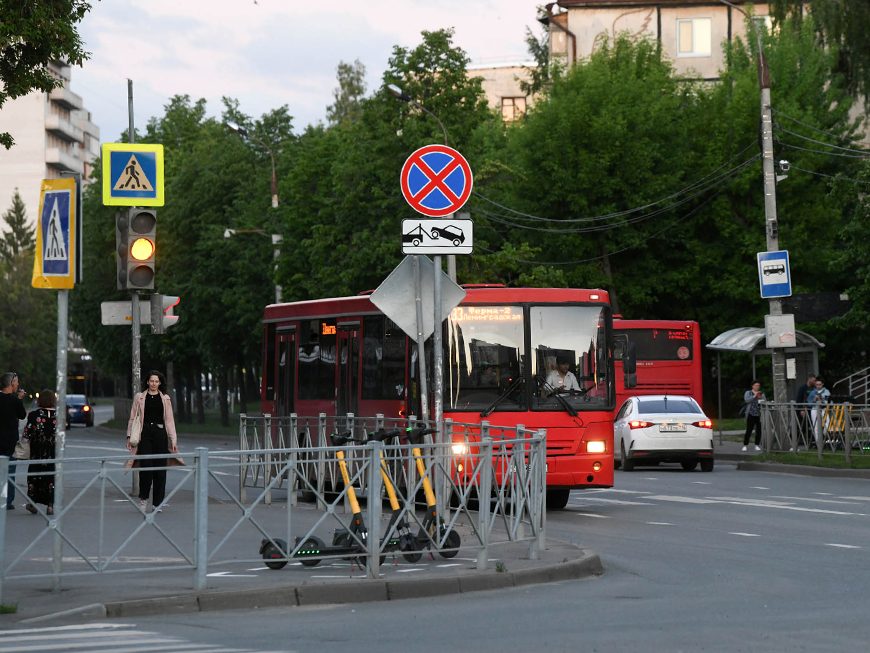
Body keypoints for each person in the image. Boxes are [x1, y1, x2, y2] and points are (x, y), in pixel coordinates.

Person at [125, 371, 182, 512]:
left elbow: (169, 421)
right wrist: (128, 437)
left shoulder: (165, 399)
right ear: (147, 382)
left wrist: (173, 440)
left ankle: (157, 503)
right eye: (151, 381)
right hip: (144, 435)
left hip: (160, 435)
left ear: (160, 383)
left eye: (156, 381)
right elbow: (133, 418)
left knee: (160, 470)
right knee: (146, 468)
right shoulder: (140, 397)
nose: (154, 384)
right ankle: (144, 499)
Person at [22, 389, 57, 515]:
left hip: (37, 451)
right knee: (51, 476)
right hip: (52, 451)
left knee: (34, 476)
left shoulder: (33, 415)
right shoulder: (58, 416)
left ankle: (32, 502)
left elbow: (27, 434)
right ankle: (50, 505)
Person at [0, 372, 27, 510]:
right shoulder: (14, 401)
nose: (17, 384)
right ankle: (8, 501)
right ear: (11, 383)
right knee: (10, 471)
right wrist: (20, 399)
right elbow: (22, 415)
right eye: (16, 381)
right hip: (10, 441)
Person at [743, 380, 766, 452]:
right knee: (749, 429)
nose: (757, 387)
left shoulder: (761, 393)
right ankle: (745, 445)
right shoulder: (748, 393)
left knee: (759, 430)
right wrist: (753, 396)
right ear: (752, 386)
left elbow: (765, 401)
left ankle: (757, 445)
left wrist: (761, 398)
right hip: (750, 413)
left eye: (758, 386)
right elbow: (746, 400)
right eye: (756, 385)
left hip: (758, 414)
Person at [807, 377, 831, 446]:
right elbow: (809, 403)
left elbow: (828, 400)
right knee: (816, 425)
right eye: (817, 385)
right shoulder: (812, 392)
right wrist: (814, 399)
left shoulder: (826, 391)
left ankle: (824, 436)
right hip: (815, 408)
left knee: (827, 423)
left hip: (823, 408)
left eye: (820, 384)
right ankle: (818, 443)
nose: (818, 386)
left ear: (822, 384)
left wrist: (822, 397)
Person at [795, 373, 816, 444]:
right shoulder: (802, 388)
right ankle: (798, 440)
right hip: (804, 409)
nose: (814, 382)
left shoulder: (814, 388)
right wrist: (801, 409)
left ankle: (810, 440)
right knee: (802, 426)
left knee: (811, 425)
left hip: (812, 409)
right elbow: (799, 399)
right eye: (813, 380)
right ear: (809, 379)